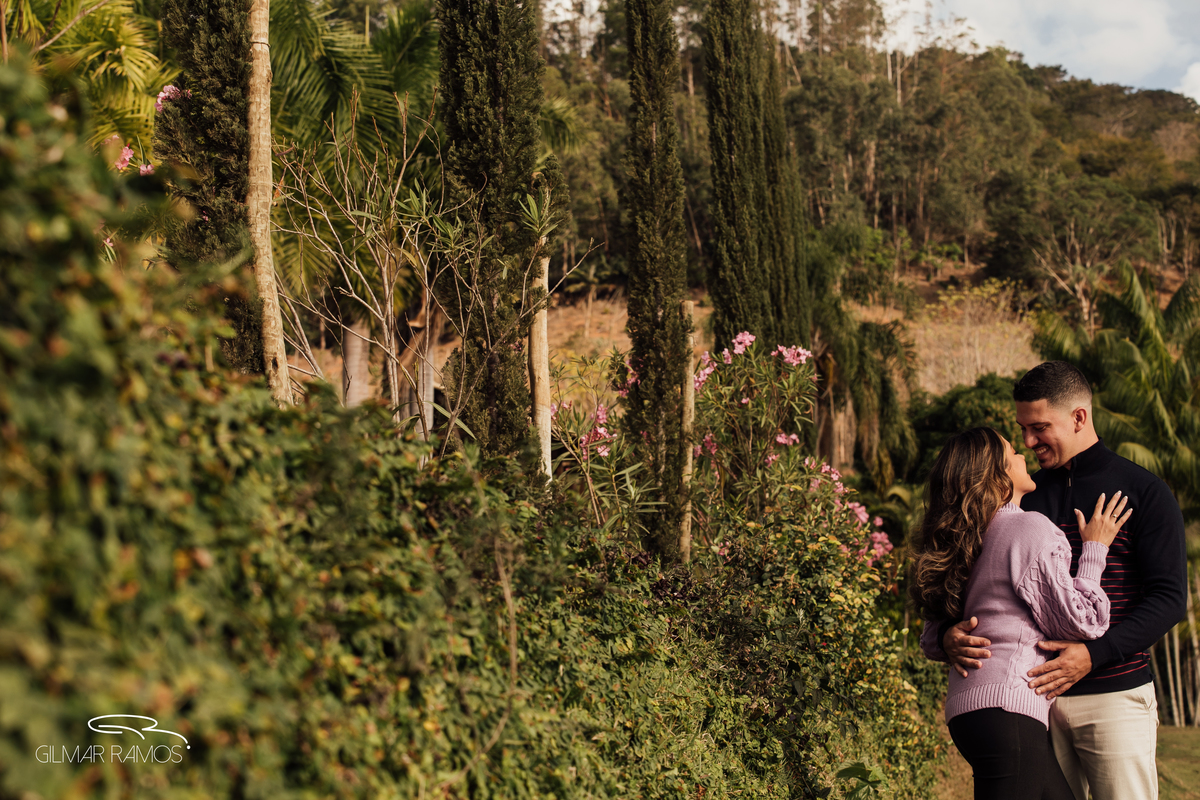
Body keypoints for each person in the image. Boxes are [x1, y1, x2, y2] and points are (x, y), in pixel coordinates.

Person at [939, 361, 1188, 800]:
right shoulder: (1025, 494)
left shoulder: (1145, 491)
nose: (1029, 442)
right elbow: (969, 576)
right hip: (1035, 703)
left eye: (1039, 427)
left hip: (1114, 696)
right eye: (1023, 429)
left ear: (1078, 417)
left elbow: (1169, 599)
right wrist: (945, 634)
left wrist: (1094, 655)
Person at [912, 426, 1128, 799]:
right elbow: (1081, 622)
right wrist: (1094, 551)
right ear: (995, 474)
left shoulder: (964, 535)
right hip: (1007, 710)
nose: (1023, 455)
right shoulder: (1027, 528)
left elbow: (932, 637)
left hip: (969, 710)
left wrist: (947, 635)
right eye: (1012, 452)